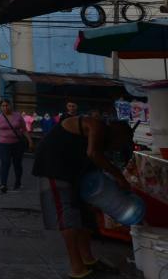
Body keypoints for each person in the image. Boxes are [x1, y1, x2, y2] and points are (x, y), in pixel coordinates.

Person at [32, 114, 133, 279]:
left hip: (73, 171)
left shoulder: (102, 139)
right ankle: (76, 268)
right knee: (68, 217)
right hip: (53, 167)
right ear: (117, 134)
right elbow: (93, 154)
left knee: (85, 215)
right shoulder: (96, 126)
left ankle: (88, 259)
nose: (119, 147)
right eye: (122, 142)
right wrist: (119, 177)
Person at [0, 99, 34, 193]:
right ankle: (3, 184)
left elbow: (24, 130)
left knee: (17, 164)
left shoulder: (18, 116)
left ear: (10, 105)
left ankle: (18, 182)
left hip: (17, 144)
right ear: (0, 107)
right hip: (3, 144)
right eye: (3, 106)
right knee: (5, 162)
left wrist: (30, 141)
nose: (5, 107)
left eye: (7, 105)